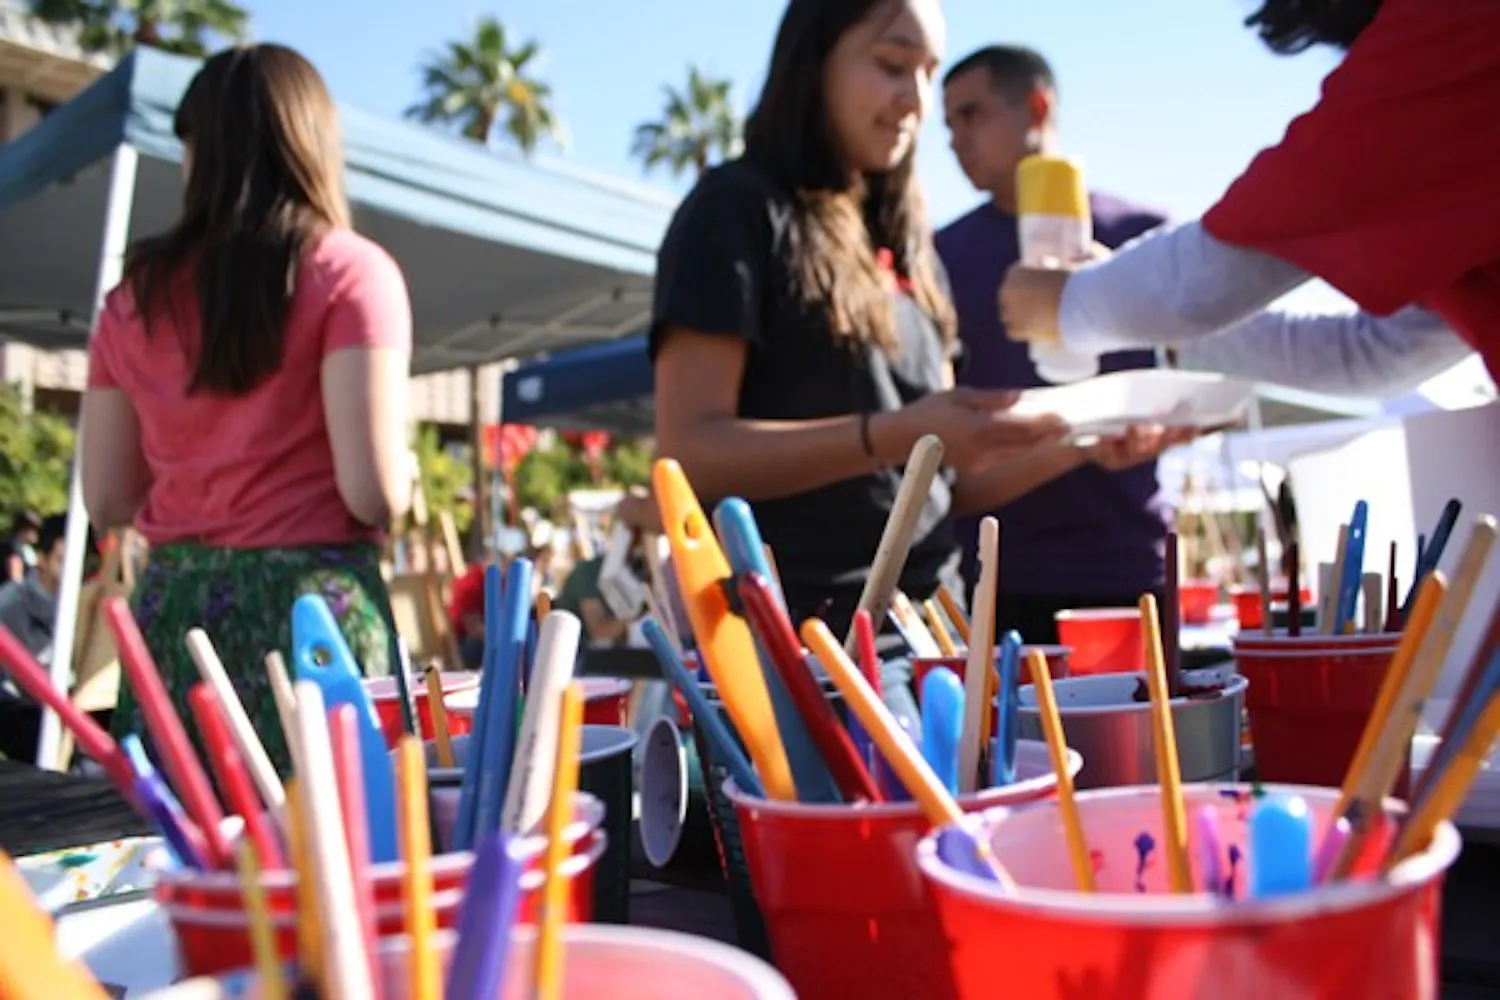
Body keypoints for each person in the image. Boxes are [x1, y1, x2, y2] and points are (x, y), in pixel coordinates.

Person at [650, 0, 1115, 725]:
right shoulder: (735, 209)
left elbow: (946, 487)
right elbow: (691, 455)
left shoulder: (908, 239)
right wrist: (899, 432)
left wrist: (1086, 444)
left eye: (927, 73)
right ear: (815, 60)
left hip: (944, 633)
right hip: (809, 650)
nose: (917, 100)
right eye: (893, 65)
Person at [80, 45, 413, 775]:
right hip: (315, 625)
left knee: (187, 877)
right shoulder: (353, 275)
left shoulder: (130, 300)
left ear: (201, 151)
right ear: (314, 141)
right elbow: (374, 491)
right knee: (334, 871)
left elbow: (106, 498)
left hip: (177, 622)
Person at [998, 0, 1499, 389]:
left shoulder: (1456, 25)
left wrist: (1068, 303)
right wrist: (1100, 305)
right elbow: (1377, 351)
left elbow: (1204, 281)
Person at [938, 45, 1186, 643]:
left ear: (1037, 107)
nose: (955, 140)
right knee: (1008, 741)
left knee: (1144, 739)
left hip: (1127, 564)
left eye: (972, 115)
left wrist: (1170, 421)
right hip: (998, 571)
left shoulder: (1140, 232)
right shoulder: (940, 256)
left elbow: (1193, 387)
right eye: (947, 125)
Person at [1, 511, 40, 585]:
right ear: (24, 529)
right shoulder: (12, 547)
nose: (37, 535)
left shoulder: (23, 547)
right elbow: (16, 578)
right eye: (35, 530)